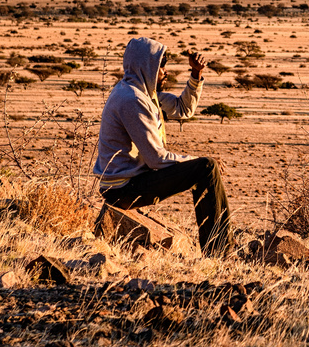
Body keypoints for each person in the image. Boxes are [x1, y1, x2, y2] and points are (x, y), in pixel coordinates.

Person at [93, 35, 230, 252]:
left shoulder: (144, 94)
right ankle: (220, 251)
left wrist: (196, 74)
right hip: (123, 188)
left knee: (204, 168)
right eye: (161, 66)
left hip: (130, 181)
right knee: (206, 168)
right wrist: (198, 161)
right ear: (146, 66)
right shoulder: (132, 100)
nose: (165, 72)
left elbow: (183, 109)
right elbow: (156, 158)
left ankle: (218, 248)